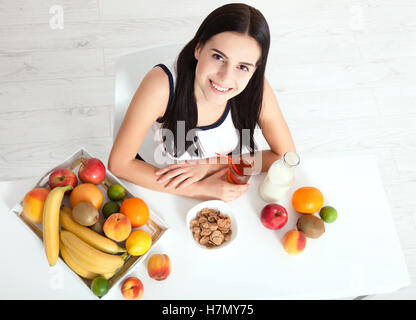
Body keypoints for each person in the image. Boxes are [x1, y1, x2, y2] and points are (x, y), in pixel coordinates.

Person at [108, 3, 296, 202]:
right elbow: (120, 164)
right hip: (158, 177)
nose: (225, 77)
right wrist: (199, 189)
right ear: (198, 48)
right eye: (218, 57)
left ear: (255, 70)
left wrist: (210, 165)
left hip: (219, 177)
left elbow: (286, 158)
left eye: (242, 67)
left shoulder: (256, 88)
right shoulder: (161, 85)